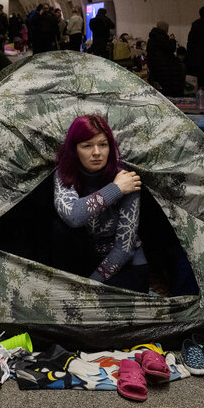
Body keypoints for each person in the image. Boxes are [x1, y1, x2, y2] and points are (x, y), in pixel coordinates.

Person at [52, 114, 148, 292]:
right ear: (75, 149)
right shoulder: (64, 174)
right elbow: (72, 216)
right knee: (58, 229)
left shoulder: (126, 178)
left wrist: (90, 285)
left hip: (124, 262)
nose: (96, 152)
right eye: (87, 146)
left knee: (110, 306)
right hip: (84, 256)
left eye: (103, 145)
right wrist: (116, 189)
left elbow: (124, 249)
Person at [146, 21, 182, 96]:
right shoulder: (163, 38)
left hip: (155, 68)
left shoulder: (151, 39)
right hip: (165, 70)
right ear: (165, 29)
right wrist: (172, 40)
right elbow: (171, 49)